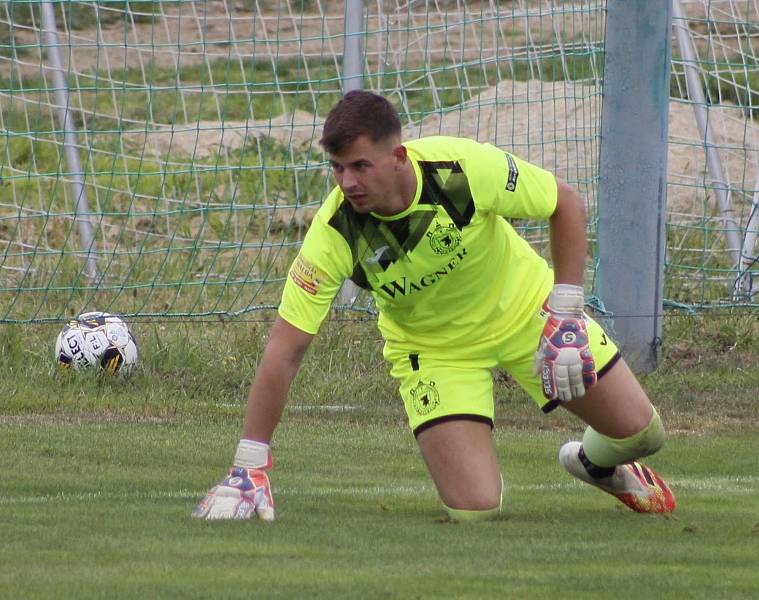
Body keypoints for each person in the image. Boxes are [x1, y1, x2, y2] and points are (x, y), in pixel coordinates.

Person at [193, 90, 675, 522]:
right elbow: (286, 347)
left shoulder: (459, 171)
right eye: (338, 168)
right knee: (474, 509)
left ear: (398, 156)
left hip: (529, 314)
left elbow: (565, 203)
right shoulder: (335, 231)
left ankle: (595, 464)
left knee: (642, 434)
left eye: (361, 166)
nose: (348, 182)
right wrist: (248, 464)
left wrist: (566, 315)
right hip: (436, 353)